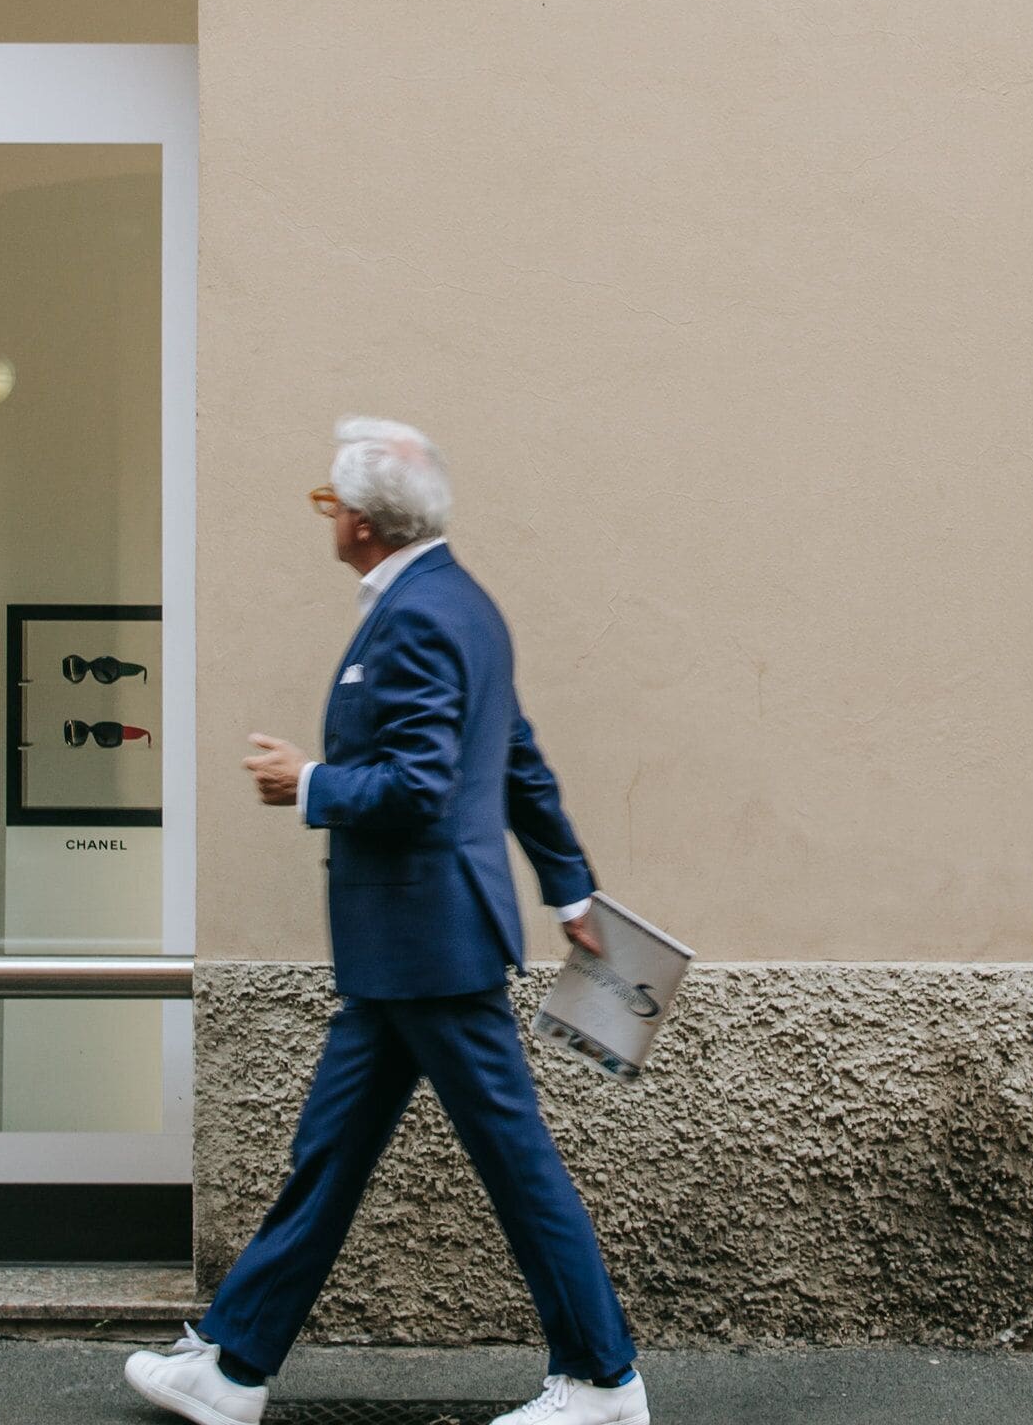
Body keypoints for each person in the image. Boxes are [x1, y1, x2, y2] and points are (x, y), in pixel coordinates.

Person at [126, 418, 645, 1425]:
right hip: (403, 953)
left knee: (516, 1162)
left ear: (359, 524)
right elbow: (519, 760)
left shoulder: (415, 617)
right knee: (328, 1157)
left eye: (329, 505)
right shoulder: (465, 604)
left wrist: (309, 780)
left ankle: (602, 1379)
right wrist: (570, 891)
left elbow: (423, 784)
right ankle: (231, 1368)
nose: (327, 519)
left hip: (430, 948)